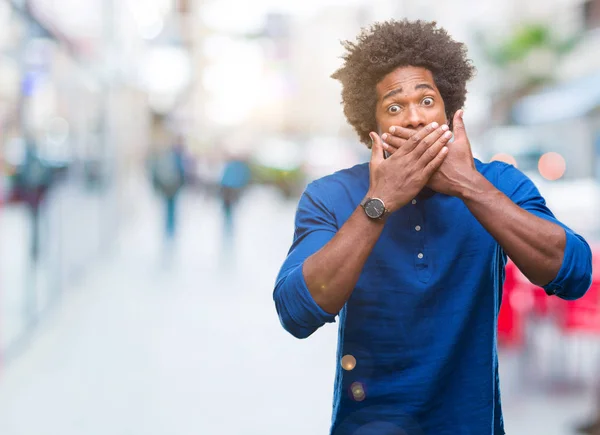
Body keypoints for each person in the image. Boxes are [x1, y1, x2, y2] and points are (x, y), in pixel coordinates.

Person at [273, 20, 592, 435]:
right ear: (371, 128)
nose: (414, 117)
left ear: (450, 111)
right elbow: (295, 312)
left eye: (427, 100)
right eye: (394, 107)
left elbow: (575, 274)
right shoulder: (330, 196)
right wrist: (379, 203)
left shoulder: (496, 183)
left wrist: (469, 186)